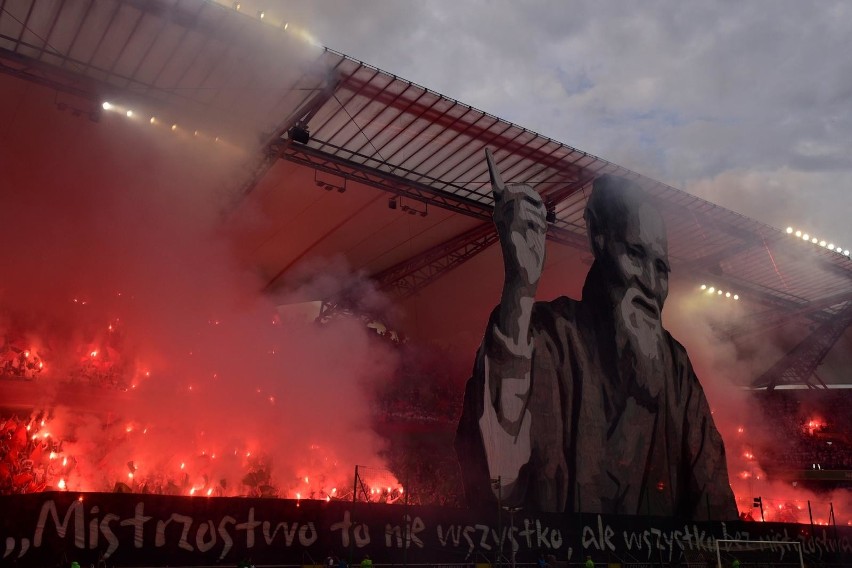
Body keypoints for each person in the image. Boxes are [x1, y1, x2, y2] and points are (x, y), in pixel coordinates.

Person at [455, 149, 737, 519]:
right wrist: (519, 291)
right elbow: (501, 479)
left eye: (662, 267)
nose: (651, 284)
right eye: (635, 254)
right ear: (598, 237)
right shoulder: (548, 335)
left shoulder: (677, 370)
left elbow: (714, 504)